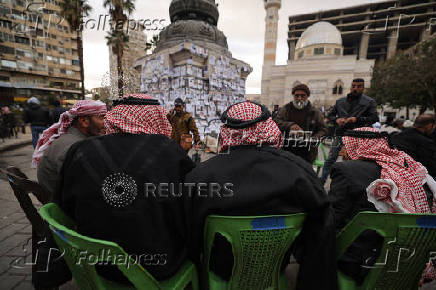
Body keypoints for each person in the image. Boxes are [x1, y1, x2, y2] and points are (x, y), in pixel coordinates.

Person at [185, 101, 337, 290]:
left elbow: (188, 237)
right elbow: (322, 227)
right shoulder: (300, 171)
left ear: (226, 132)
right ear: (269, 129)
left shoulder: (201, 176)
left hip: (221, 271)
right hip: (276, 270)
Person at [53, 94, 196, 284]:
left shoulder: (80, 150)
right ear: (156, 118)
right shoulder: (171, 151)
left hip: (96, 264)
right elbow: (189, 208)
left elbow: (64, 207)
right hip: (157, 265)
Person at [329, 127, 436, 285]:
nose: (341, 152)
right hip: (408, 259)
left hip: (363, 262)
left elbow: (332, 218)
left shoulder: (346, 171)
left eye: (344, 146)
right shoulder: (410, 169)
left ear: (357, 145)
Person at [35, 100, 107, 195]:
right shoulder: (76, 146)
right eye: (102, 118)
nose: (106, 123)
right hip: (64, 205)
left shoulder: (71, 139)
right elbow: (85, 187)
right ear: (84, 121)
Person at [320, 78, 379, 184]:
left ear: (363, 88)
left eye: (359, 86)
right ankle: (321, 183)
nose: (355, 88)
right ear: (350, 87)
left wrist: (357, 119)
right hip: (340, 134)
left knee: (352, 161)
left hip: (358, 136)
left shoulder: (369, 102)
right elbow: (330, 115)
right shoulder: (340, 101)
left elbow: (374, 118)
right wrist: (337, 120)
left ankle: (348, 184)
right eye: (353, 86)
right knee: (330, 159)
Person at [274, 83, 328, 163]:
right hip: (286, 150)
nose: (299, 98)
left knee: (303, 174)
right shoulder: (286, 109)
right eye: (297, 95)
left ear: (307, 96)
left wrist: (313, 139)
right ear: (293, 96)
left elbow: (323, 130)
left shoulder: (315, 112)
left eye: (303, 96)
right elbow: (276, 122)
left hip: (307, 152)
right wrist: (290, 125)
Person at [391, 114, 436, 178]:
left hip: (393, 170)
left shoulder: (397, 135)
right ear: (429, 125)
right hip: (414, 176)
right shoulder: (426, 142)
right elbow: (432, 167)